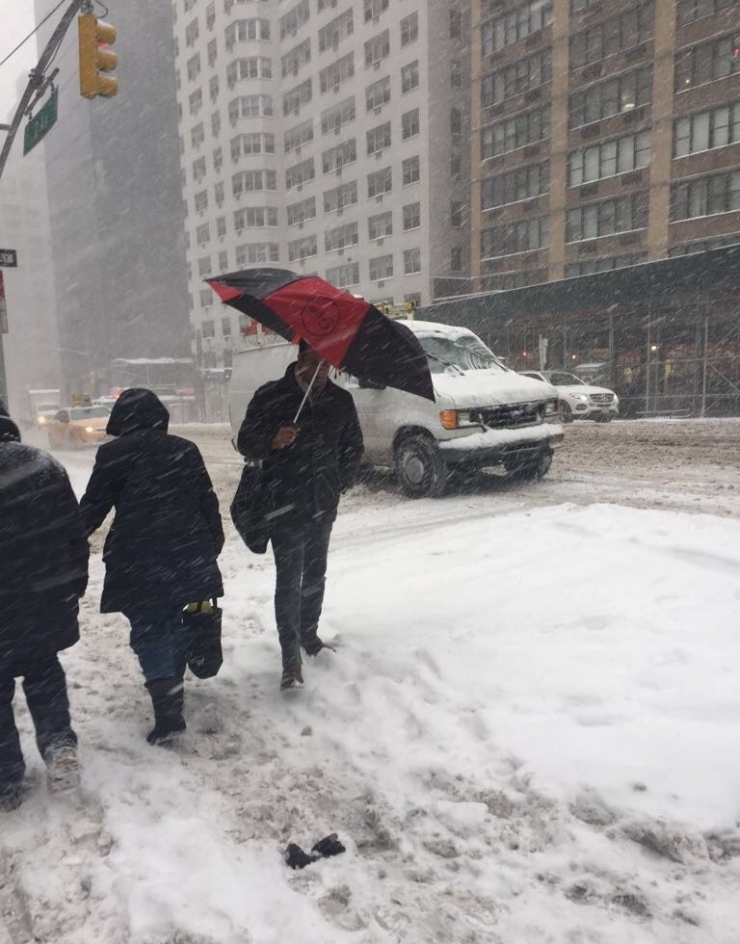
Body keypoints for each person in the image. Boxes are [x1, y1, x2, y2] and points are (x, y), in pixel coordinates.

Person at [80, 388, 224, 745]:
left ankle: (169, 713)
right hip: (188, 552)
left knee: (150, 627)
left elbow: (93, 506)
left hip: (137, 558)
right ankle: (173, 688)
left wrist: (69, 539)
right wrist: (210, 547)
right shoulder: (185, 449)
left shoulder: (113, 453)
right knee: (178, 618)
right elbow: (207, 501)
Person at [237, 341, 363, 691]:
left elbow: (354, 446)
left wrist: (338, 482)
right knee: (289, 581)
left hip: (322, 503)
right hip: (283, 504)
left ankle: (309, 635)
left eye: (327, 365)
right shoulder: (271, 396)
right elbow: (245, 441)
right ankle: (290, 658)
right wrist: (272, 440)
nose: (322, 370)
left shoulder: (340, 401)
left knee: (316, 575)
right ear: (300, 360)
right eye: (315, 362)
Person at [0, 413, 88, 811]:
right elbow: (74, 531)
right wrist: (74, 584)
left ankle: (5, 777)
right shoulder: (42, 465)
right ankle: (58, 746)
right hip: (41, 595)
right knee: (43, 671)